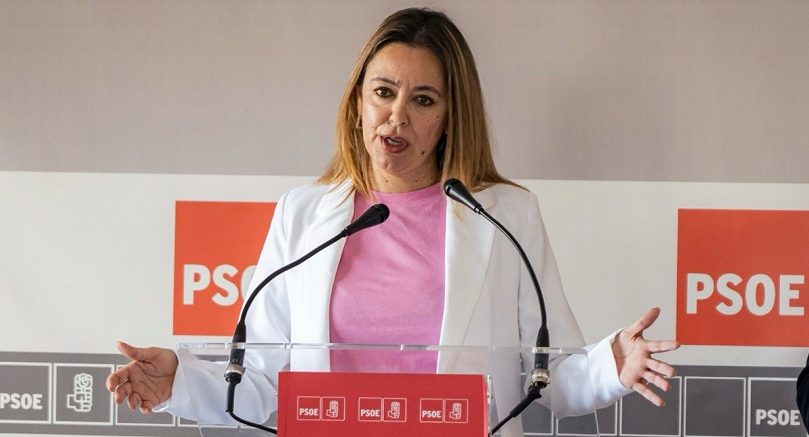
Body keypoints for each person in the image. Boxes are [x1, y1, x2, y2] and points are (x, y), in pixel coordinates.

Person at [106, 7, 679, 436]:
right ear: (359, 103)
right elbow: (258, 383)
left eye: (424, 100)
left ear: (450, 117)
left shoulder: (506, 215)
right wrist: (179, 379)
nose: (397, 115)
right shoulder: (302, 215)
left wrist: (611, 364)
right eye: (383, 92)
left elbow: (553, 376)